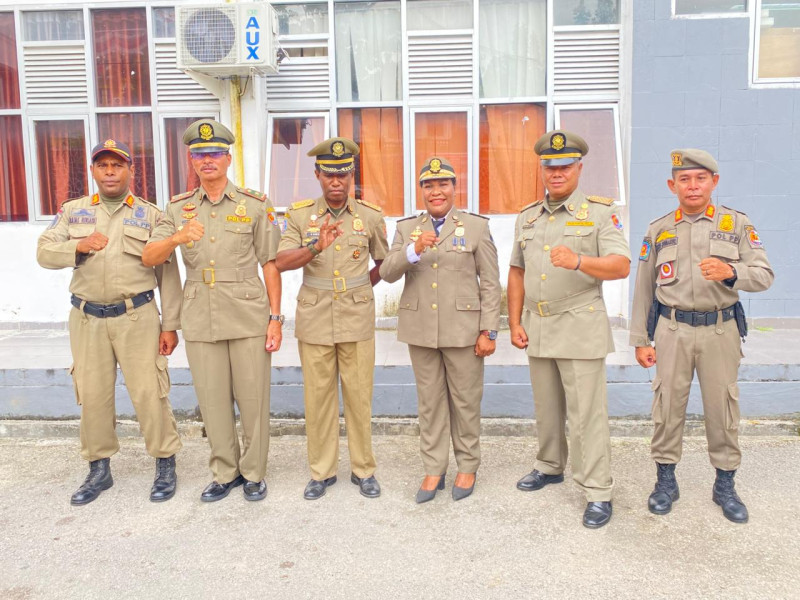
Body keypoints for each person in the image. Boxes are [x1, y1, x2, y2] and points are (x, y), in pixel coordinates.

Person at [630, 149, 774, 524]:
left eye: (700, 178)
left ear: (714, 182)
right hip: (671, 330)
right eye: (684, 179)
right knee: (667, 407)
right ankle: (665, 482)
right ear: (672, 185)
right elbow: (643, 287)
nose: (692, 186)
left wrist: (731, 272)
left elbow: (764, 275)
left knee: (722, 408)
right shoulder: (658, 229)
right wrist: (640, 339)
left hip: (720, 330)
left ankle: (725, 485)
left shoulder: (736, 223)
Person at [142, 119, 283, 503]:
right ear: (192, 160)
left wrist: (275, 319)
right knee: (212, 400)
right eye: (199, 154)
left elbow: (270, 263)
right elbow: (149, 256)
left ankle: (253, 473)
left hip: (248, 314)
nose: (207, 160)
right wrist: (177, 237)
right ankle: (225, 472)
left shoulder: (255, 204)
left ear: (227, 158)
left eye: (215, 153)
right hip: (200, 314)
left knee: (253, 400)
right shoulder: (178, 208)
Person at [37, 139, 183, 506]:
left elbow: (167, 273)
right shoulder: (73, 212)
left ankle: (165, 461)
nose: (110, 172)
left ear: (131, 170)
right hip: (87, 318)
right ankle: (99, 468)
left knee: (150, 392)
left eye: (117, 165)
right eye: (102, 165)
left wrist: (170, 325)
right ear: (92, 171)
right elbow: (43, 252)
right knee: (93, 394)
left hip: (137, 317)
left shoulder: (151, 215)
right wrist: (78, 246)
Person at [507, 130, 630, 529]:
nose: (556, 173)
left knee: (586, 415)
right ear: (542, 170)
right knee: (546, 407)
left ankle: (598, 491)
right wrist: (514, 321)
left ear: (578, 168)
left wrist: (578, 261)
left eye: (564, 166)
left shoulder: (598, 213)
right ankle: (549, 465)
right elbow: (516, 271)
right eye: (549, 167)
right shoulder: (528, 217)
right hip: (538, 324)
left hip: (579, 324)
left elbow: (621, 265)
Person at [379, 157, 500, 503]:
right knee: (430, 404)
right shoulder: (407, 228)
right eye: (429, 185)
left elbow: (490, 282)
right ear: (421, 191)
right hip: (421, 331)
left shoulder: (475, 227)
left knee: (465, 402)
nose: (436, 191)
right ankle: (434, 468)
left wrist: (489, 330)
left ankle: (468, 465)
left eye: (443, 184)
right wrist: (413, 250)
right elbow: (387, 272)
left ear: (454, 188)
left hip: (464, 330)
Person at [276, 137, 388, 500]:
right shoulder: (299, 216)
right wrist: (314, 247)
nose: (336, 181)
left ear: (352, 175)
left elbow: (384, 264)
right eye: (329, 174)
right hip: (315, 317)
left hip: (356, 316)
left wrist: (359, 286)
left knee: (359, 397)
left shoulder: (370, 216)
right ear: (317, 175)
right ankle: (321, 472)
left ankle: (363, 469)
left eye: (343, 174)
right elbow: (281, 262)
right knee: (318, 399)